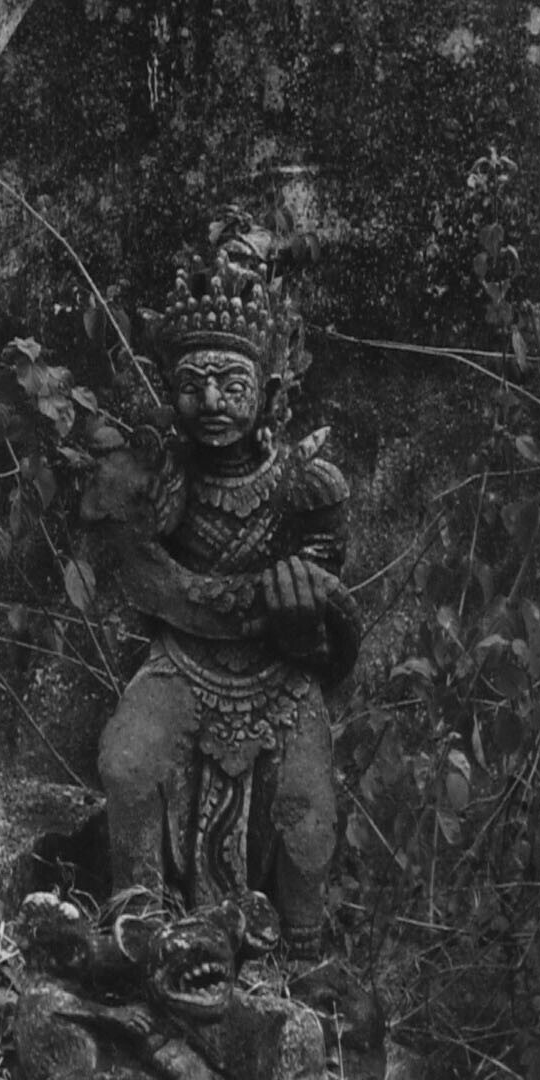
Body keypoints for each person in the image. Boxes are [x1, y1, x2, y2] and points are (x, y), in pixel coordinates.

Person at [83, 233, 360, 954]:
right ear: (169, 390)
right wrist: (239, 601)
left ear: (268, 391)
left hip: (280, 677)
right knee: (127, 763)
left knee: (308, 815)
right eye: (192, 384)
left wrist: (302, 610)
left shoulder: (304, 485)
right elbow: (147, 579)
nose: (210, 400)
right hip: (183, 663)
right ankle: (139, 924)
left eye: (232, 385)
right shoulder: (160, 479)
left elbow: (333, 611)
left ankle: (301, 957)